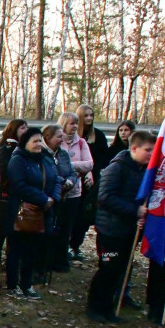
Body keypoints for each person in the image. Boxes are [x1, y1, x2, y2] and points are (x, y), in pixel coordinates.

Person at [85, 130, 156, 323]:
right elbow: (106, 198)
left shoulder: (143, 171)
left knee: (120, 270)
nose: (152, 154)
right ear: (134, 148)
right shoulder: (117, 168)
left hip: (128, 231)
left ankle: (108, 307)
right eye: (148, 150)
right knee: (108, 267)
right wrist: (135, 211)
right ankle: (95, 307)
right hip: (111, 231)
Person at [5, 127, 61, 299]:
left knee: (32, 251)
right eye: (35, 141)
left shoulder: (45, 159)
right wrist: (43, 198)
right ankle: (13, 285)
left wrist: (54, 198)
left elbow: (56, 178)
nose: (39, 144)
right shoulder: (18, 160)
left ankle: (26, 284)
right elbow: (19, 185)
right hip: (21, 214)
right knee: (16, 251)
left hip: (42, 213)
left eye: (40, 141)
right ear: (25, 142)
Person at [0, 119, 28, 268]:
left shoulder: (21, 148)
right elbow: (3, 171)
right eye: (22, 128)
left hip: (15, 193)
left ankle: (11, 257)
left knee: (13, 227)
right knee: (1, 227)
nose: (26, 130)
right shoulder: (7, 148)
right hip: (3, 193)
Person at [42, 124, 79, 273]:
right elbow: (48, 174)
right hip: (48, 198)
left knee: (63, 230)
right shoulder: (42, 153)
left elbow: (72, 172)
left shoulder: (63, 154)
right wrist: (60, 183)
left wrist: (70, 182)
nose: (62, 139)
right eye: (58, 136)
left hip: (65, 196)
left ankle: (59, 261)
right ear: (48, 138)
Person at [60, 112, 94, 261]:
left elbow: (89, 164)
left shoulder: (81, 143)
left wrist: (67, 165)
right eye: (71, 123)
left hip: (74, 191)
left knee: (68, 225)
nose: (74, 126)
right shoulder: (56, 139)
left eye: (76, 123)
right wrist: (76, 167)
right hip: (57, 189)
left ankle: (65, 254)